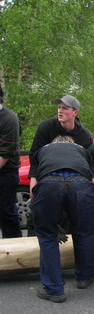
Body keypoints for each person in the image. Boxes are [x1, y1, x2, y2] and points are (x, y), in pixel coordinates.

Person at [31, 136, 94, 302]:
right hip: (81, 184)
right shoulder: (82, 151)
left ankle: (54, 289)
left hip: (49, 183)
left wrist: (40, 213)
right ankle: (84, 278)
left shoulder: (42, 151)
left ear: (54, 143)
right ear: (72, 144)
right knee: (84, 233)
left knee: (48, 237)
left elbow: (33, 185)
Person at [29, 95, 93, 180]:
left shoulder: (85, 136)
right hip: (48, 175)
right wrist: (35, 179)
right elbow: (34, 155)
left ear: (75, 113)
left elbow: (89, 163)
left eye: (65, 108)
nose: (60, 111)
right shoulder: (46, 127)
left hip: (75, 178)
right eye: (59, 107)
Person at [0, 89, 23, 238]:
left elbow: (6, 152)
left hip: (6, 173)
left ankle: (15, 246)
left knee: (6, 212)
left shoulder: (9, 118)